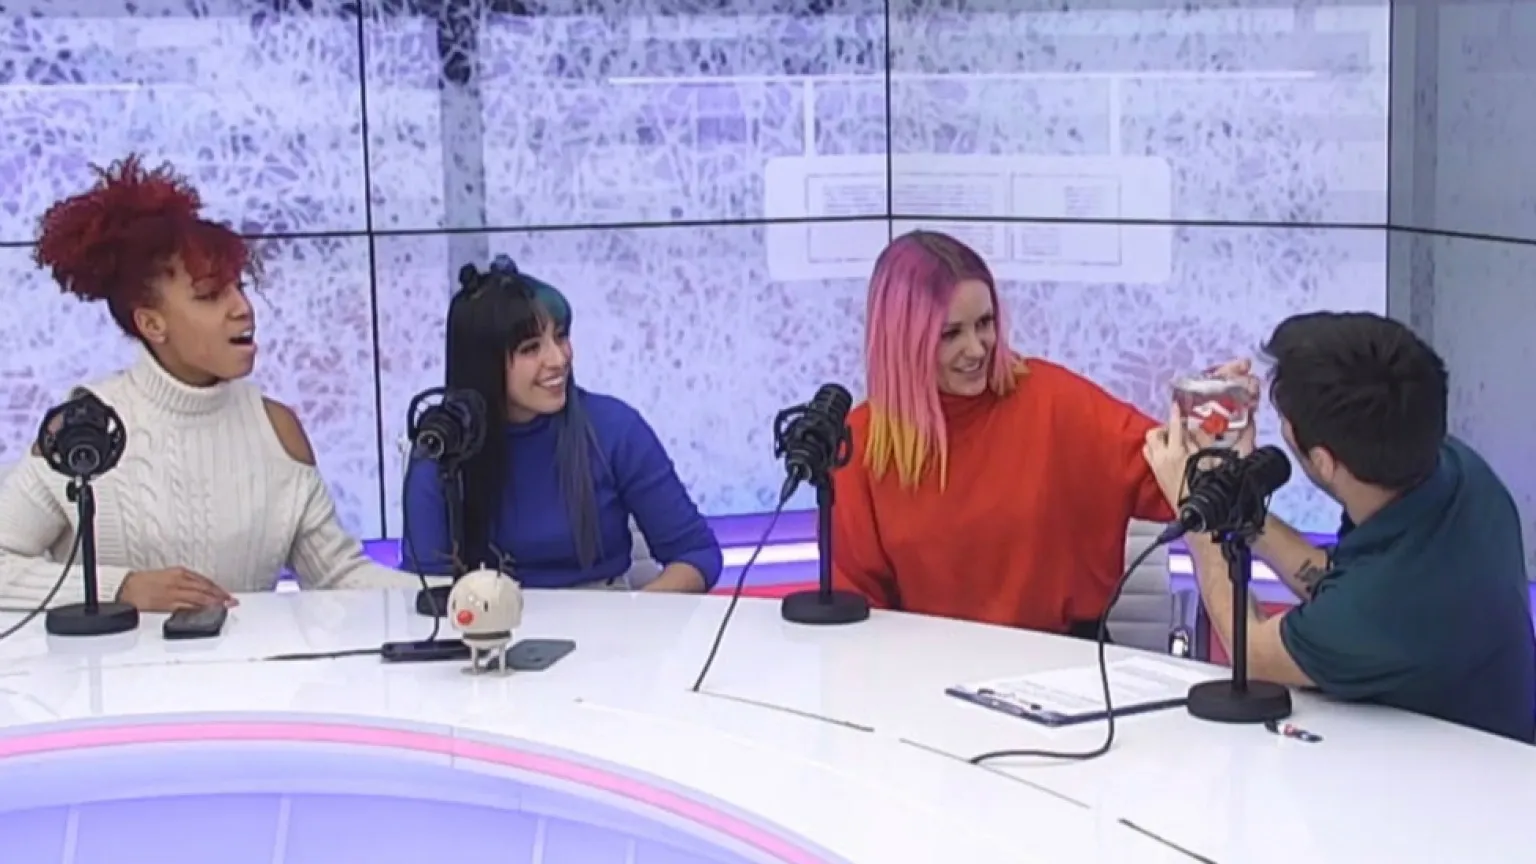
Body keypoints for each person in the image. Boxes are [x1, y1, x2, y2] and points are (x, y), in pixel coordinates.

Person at [0, 155, 418, 613]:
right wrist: (121, 589)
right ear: (151, 323)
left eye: (240, 287)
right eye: (211, 296)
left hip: (255, 662)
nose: (242, 308)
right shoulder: (83, 433)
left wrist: (452, 593)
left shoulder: (276, 428)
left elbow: (339, 577)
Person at [1142, 312, 1535, 743]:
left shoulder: (1380, 606)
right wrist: (1232, 495)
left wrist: (1197, 512)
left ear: (1324, 461)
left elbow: (1252, 653)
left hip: (1451, 775)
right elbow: (1341, 581)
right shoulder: (1458, 472)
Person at [830, 231, 1174, 635]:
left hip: (1063, 657)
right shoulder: (859, 444)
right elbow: (857, 610)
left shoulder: (1053, 400)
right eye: (950, 334)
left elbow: (1173, 474)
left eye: (985, 323)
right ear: (901, 340)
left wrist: (1217, 412)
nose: (977, 349)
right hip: (923, 663)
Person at [401, 257, 722, 593]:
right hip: (486, 617)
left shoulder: (615, 428)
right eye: (530, 348)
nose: (559, 359)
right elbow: (428, 589)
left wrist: (633, 617)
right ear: (484, 363)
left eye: (561, 336)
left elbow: (696, 554)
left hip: (606, 615)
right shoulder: (442, 446)